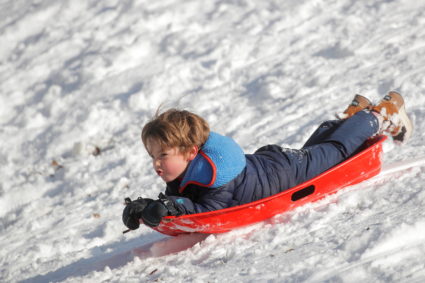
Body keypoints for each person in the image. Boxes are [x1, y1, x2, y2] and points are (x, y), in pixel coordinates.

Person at [122, 91, 413, 230]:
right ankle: (352, 117)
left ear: (190, 153)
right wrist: (147, 208)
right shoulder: (191, 172)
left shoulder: (216, 176)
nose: (157, 164)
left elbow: (209, 210)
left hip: (286, 173)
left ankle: (379, 114)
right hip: (272, 165)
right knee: (320, 154)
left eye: (163, 155)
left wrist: (172, 206)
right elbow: (182, 201)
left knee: (335, 153)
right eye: (153, 156)